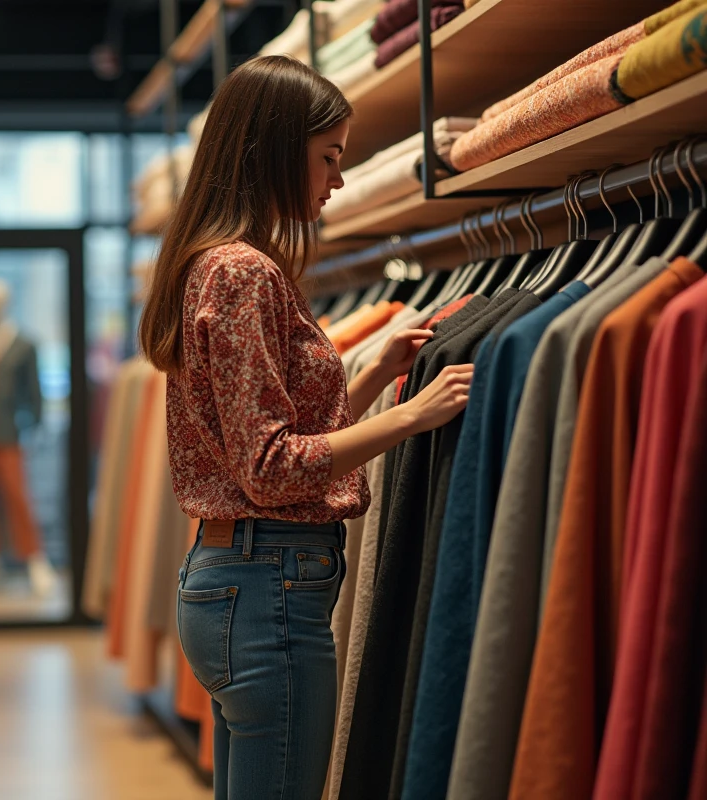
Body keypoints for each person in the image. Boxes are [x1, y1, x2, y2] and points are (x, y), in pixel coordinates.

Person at [137, 55, 473, 800]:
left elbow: (260, 430)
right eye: (329, 157)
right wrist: (412, 415)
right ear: (277, 152)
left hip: (240, 579)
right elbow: (271, 468)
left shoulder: (213, 263)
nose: (338, 180)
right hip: (269, 584)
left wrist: (375, 375)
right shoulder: (244, 272)